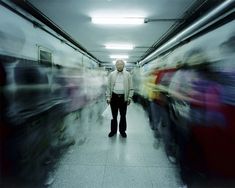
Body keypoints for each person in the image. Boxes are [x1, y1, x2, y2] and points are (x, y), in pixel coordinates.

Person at [106, 60, 134, 137]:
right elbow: (108, 87)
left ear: (123, 65)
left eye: (121, 64)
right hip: (114, 97)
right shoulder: (111, 74)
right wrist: (108, 97)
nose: (119, 66)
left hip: (123, 98)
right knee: (113, 116)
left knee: (123, 115)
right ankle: (113, 131)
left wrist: (129, 98)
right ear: (116, 65)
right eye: (118, 64)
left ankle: (122, 131)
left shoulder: (128, 75)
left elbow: (131, 88)